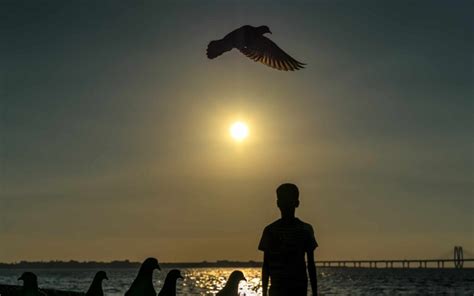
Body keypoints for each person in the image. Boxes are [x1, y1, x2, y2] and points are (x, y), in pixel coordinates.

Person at [258, 183, 318, 296]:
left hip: (296, 289)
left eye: (288, 200)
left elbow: (311, 264)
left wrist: (315, 293)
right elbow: (266, 265)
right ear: (278, 203)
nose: (285, 204)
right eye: (283, 200)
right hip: (281, 289)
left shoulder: (305, 230)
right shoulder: (270, 231)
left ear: (296, 203)